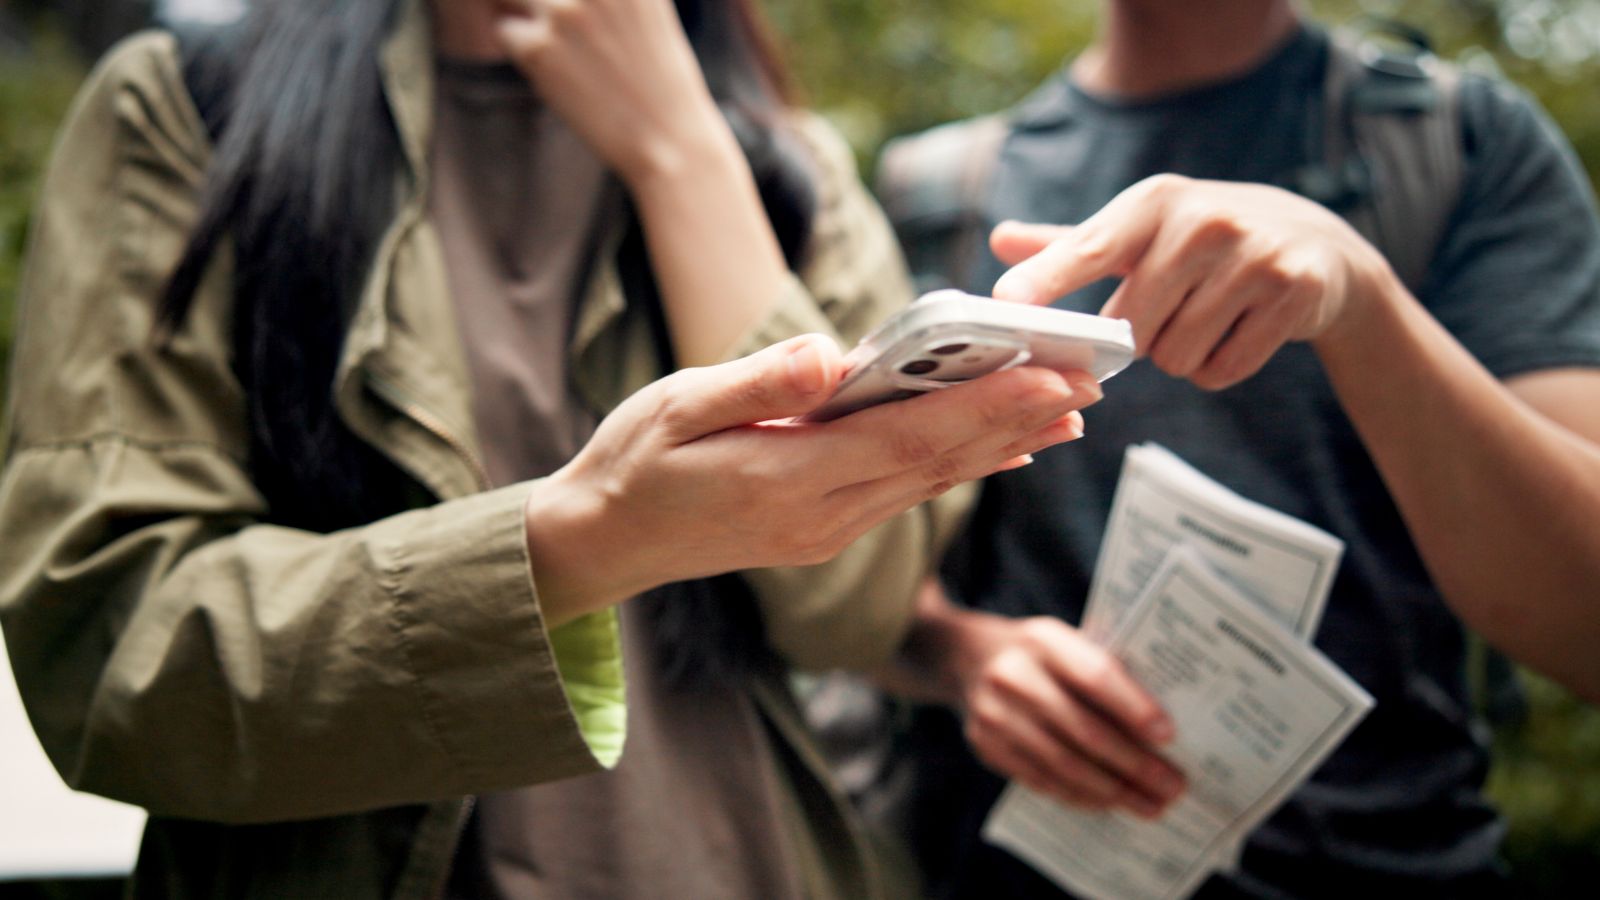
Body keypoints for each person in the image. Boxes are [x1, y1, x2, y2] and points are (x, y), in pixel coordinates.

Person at [0, 0, 1103, 896]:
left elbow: (851, 612)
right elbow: (112, 658)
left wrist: (678, 150)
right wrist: (583, 539)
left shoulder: (787, 166)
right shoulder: (191, 109)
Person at [873, 0, 1600, 896]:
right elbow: (838, 580)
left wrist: (1362, 298)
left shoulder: (1455, 144)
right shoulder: (942, 194)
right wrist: (959, 655)